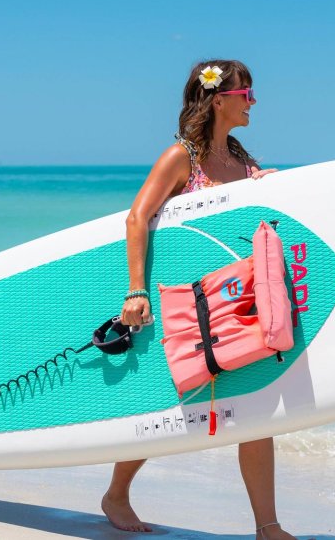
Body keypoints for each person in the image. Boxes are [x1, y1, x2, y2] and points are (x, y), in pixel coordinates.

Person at [101, 60, 295, 540]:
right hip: (187, 301)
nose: (253, 102)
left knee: (256, 405)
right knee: (176, 403)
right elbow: (137, 219)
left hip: (235, 299)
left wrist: (263, 188)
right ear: (218, 99)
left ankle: (267, 527)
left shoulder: (241, 159)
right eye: (247, 93)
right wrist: (136, 291)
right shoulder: (180, 158)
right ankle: (116, 493)